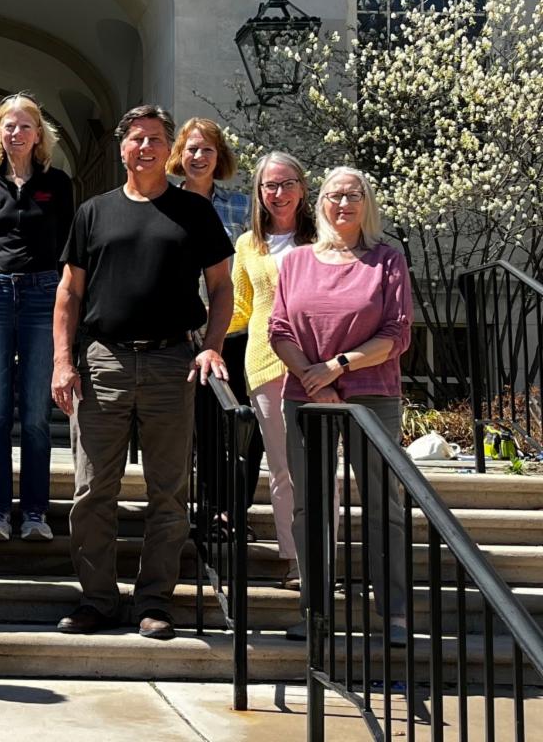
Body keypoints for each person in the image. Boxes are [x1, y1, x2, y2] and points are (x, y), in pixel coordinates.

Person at [52, 105, 233, 640]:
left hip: (172, 361)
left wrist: (213, 346)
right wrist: (63, 360)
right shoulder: (93, 212)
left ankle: (154, 601)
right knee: (91, 491)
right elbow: (69, 292)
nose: (146, 147)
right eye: (137, 139)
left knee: (168, 492)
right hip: (103, 360)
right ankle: (98, 600)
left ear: (168, 148)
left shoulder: (194, 213)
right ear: (121, 147)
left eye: (157, 139)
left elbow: (221, 288)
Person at [269, 166, 412, 645]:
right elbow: (279, 331)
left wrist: (338, 367)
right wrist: (315, 380)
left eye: (354, 195)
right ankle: (316, 611)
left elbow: (396, 333)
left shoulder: (387, 261)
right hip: (306, 396)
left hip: (372, 393)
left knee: (382, 505)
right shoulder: (296, 262)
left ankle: (393, 614)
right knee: (309, 508)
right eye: (334, 195)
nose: (344, 203)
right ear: (321, 203)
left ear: (367, 204)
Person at [0, 93, 74, 541]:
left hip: (41, 295)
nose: (15, 133)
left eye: (24, 126)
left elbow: (72, 247)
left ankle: (34, 513)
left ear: (38, 134)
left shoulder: (59, 183)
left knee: (34, 414)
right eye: (8, 126)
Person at [167, 117, 263, 535]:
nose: (198, 156)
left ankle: (234, 510)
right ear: (178, 155)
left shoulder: (242, 207)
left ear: (219, 156)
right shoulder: (165, 203)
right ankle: (208, 508)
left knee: (244, 425)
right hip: (185, 334)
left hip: (239, 334)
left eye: (207, 149)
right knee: (203, 427)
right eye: (190, 149)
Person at [229, 151, 316, 589]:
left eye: (286, 184)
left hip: (319, 367)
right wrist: (202, 337)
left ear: (302, 188)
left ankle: (323, 560)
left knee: (321, 471)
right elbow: (242, 308)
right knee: (282, 470)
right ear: (259, 193)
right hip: (266, 364)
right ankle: (296, 561)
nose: (278, 194)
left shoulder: (324, 240)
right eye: (269, 186)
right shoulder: (248, 244)